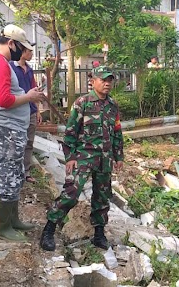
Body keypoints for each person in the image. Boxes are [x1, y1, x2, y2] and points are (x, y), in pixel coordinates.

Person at [41, 65, 124, 251]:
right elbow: (70, 131)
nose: (107, 83)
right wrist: (69, 157)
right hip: (83, 158)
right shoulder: (82, 103)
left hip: (104, 159)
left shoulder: (113, 106)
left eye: (109, 80)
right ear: (93, 81)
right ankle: (49, 230)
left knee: (102, 197)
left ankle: (99, 234)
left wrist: (119, 156)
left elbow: (117, 131)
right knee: (71, 194)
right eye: (103, 79)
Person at [0, 24, 46, 241]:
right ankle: (3, 224)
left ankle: (14, 218)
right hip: (5, 129)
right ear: (11, 43)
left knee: (15, 173)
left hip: (11, 128)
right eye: (21, 47)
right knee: (6, 175)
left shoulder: (0, 62)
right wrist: (29, 97)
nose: (22, 51)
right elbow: (4, 100)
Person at [10, 41, 43, 186]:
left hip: (30, 111)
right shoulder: (10, 67)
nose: (31, 54)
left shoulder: (29, 70)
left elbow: (34, 90)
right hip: (16, 112)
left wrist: (38, 110)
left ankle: (26, 172)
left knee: (29, 142)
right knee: (16, 143)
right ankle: (15, 173)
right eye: (30, 51)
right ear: (23, 52)